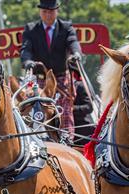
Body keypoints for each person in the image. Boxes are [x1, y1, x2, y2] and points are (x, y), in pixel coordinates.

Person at [21, 0, 82, 138]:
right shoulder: (31, 29)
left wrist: (76, 54)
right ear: (40, 12)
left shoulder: (66, 28)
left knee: (65, 111)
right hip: (40, 80)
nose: (48, 15)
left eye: (51, 11)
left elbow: (73, 42)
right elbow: (26, 49)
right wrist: (28, 61)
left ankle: (67, 140)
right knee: (39, 109)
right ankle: (42, 139)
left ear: (57, 11)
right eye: (45, 12)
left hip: (62, 79)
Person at [69, 60, 95, 145]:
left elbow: (89, 107)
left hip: (83, 130)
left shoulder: (80, 86)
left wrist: (71, 109)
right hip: (68, 129)